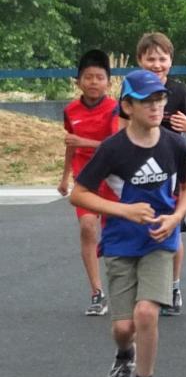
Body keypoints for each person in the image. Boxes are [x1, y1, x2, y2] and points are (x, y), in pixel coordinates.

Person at [69, 70, 186, 377]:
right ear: (127, 106)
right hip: (120, 244)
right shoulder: (113, 149)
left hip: (160, 241)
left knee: (146, 313)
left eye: (159, 99)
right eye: (146, 101)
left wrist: (174, 219)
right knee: (124, 328)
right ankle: (124, 356)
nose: (156, 107)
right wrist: (123, 210)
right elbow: (79, 194)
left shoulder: (174, 143)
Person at [135, 31, 186, 315]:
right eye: (151, 59)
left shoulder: (181, 93)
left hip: (173, 171)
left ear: (170, 61)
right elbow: (119, 127)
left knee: (173, 229)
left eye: (162, 59)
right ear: (140, 60)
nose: (156, 64)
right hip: (139, 170)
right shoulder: (132, 90)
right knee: (141, 227)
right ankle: (146, 288)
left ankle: (173, 286)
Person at [59, 50, 119, 315]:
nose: (94, 82)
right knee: (87, 226)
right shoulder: (70, 110)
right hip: (85, 176)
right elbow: (70, 145)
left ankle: (128, 287)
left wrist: (85, 142)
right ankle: (97, 292)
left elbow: (117, 146)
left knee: (118, 234)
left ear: (108, 81)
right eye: (88, 77)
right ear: (78, 81)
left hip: (112, 174)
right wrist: (64, 178)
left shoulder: (116, 108)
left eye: (99, 77)